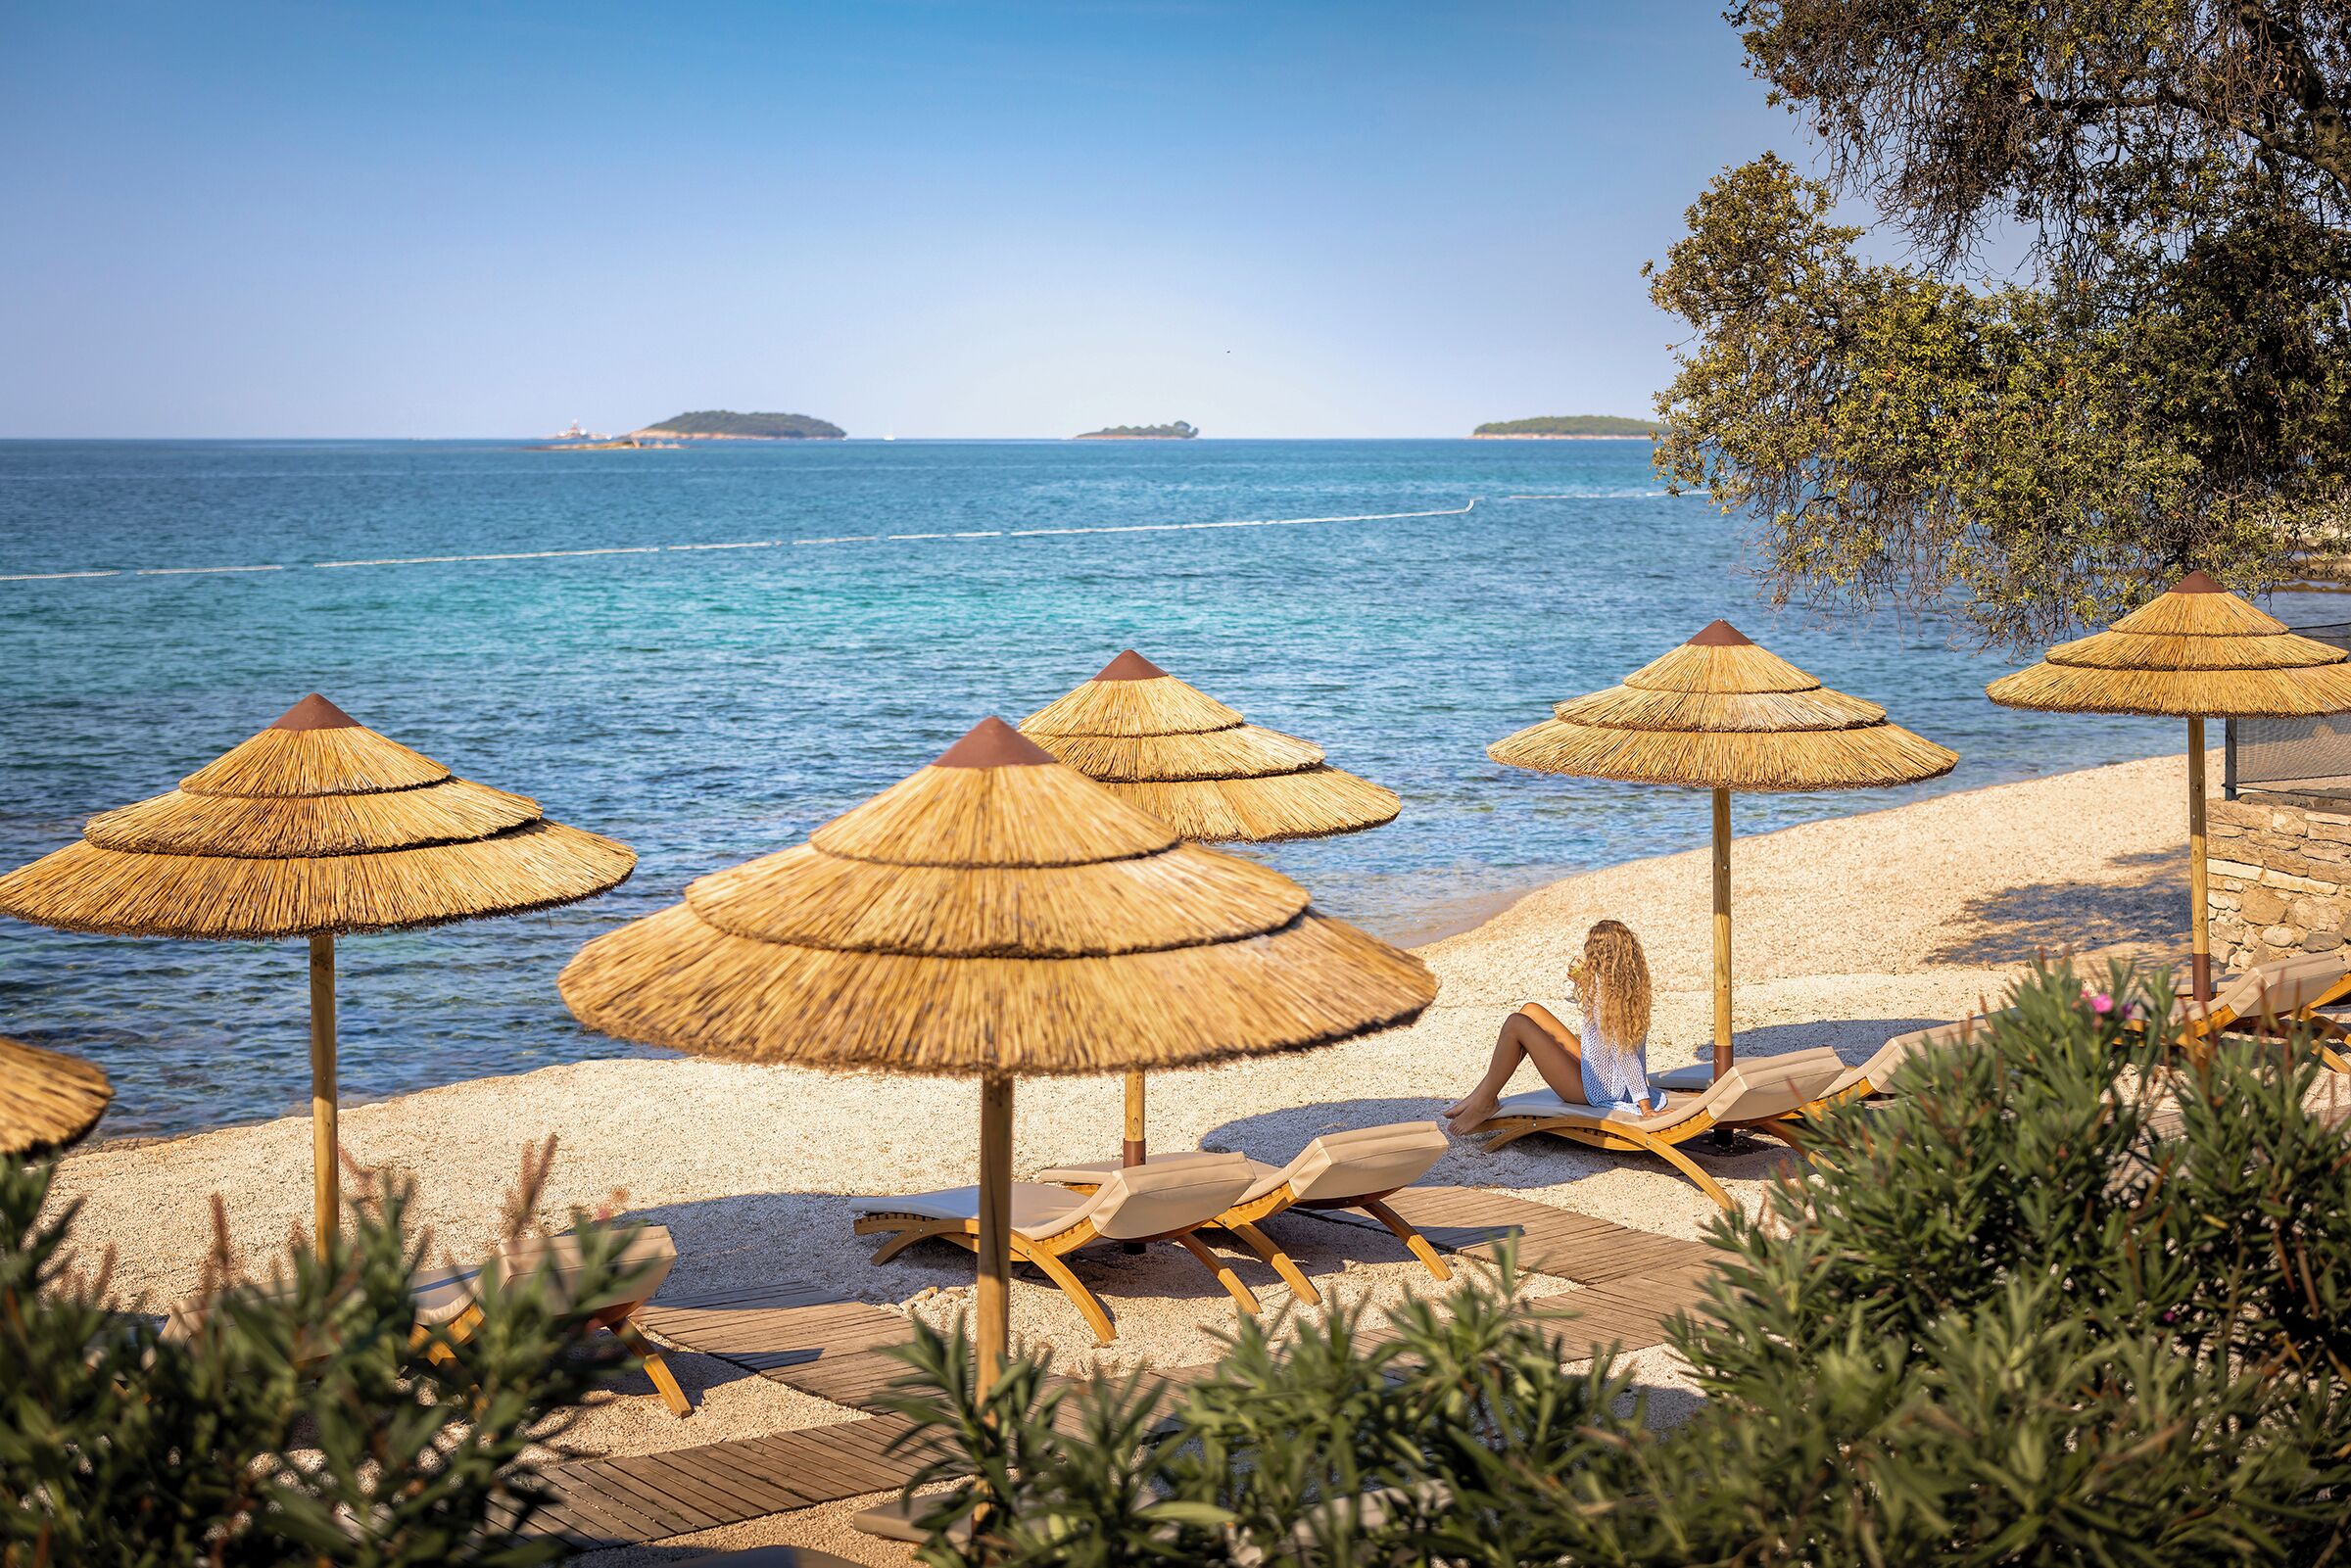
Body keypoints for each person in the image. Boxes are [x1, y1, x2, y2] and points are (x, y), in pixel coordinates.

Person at [1442, 919, 1665, 1136]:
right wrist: (1584, 984)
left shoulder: (1606, 999)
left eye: (1590, 952)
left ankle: (1484, 1103)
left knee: (1515, 1024)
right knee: (1531, 1010)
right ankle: (1480, 1095)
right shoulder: (1623, 987)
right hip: (1603, 1072)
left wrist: (1645, 1107)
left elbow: (1625, 1055)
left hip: (1599, 1091)